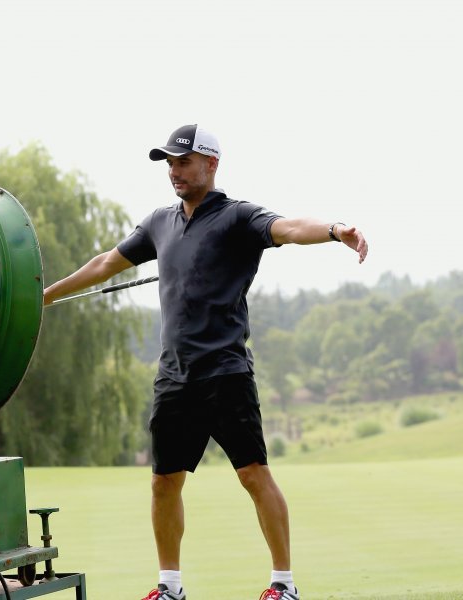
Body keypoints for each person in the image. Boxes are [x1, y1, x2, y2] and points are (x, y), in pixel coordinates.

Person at [42, 124, 368, 600]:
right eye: (169, 163)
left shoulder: (238, 217)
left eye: (183, 161)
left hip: (225, 373)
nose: (174, 171)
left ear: (211, 164)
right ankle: (170, 586)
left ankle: (284, 585)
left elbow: (291, 230)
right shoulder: (159, 222)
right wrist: (45, 296)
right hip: (174, 377)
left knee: (253, 474)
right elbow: (105, 263)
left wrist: (337, 231)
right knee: (163, 483)